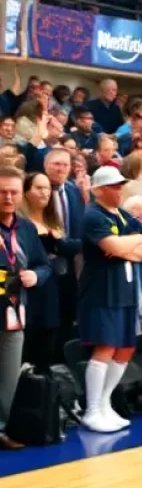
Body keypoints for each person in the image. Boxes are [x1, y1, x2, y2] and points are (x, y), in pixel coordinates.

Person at [78, 165, 142, 433]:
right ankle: (91, 410)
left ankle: (104, 403)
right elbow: (111, 247)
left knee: (125, 348)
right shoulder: (92, 215)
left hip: (126, 290)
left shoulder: (123, 215)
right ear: (99, 190)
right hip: (102, 291)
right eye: (114, 186)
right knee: (105, 348)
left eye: (121, 185)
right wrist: (128, 244)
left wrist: (126, 245)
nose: (120, 189)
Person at [0, 167, 51, 449]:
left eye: (13, 192)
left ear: (21, 195)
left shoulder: (27, 228)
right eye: (2, 192)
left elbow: (44, 265)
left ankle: (2, 427)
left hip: (15, 314)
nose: (8, 197)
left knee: (8, 378)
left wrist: (36, 276)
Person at [19, 171, 65, 369]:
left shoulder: (50, 222)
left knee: (46, 348)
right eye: (39, 187)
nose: (45, 192)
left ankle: (42, 394)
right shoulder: (21, 225)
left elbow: (45, 263)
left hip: (50, 290)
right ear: (26, 192)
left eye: (47, 188)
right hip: (21, 295)